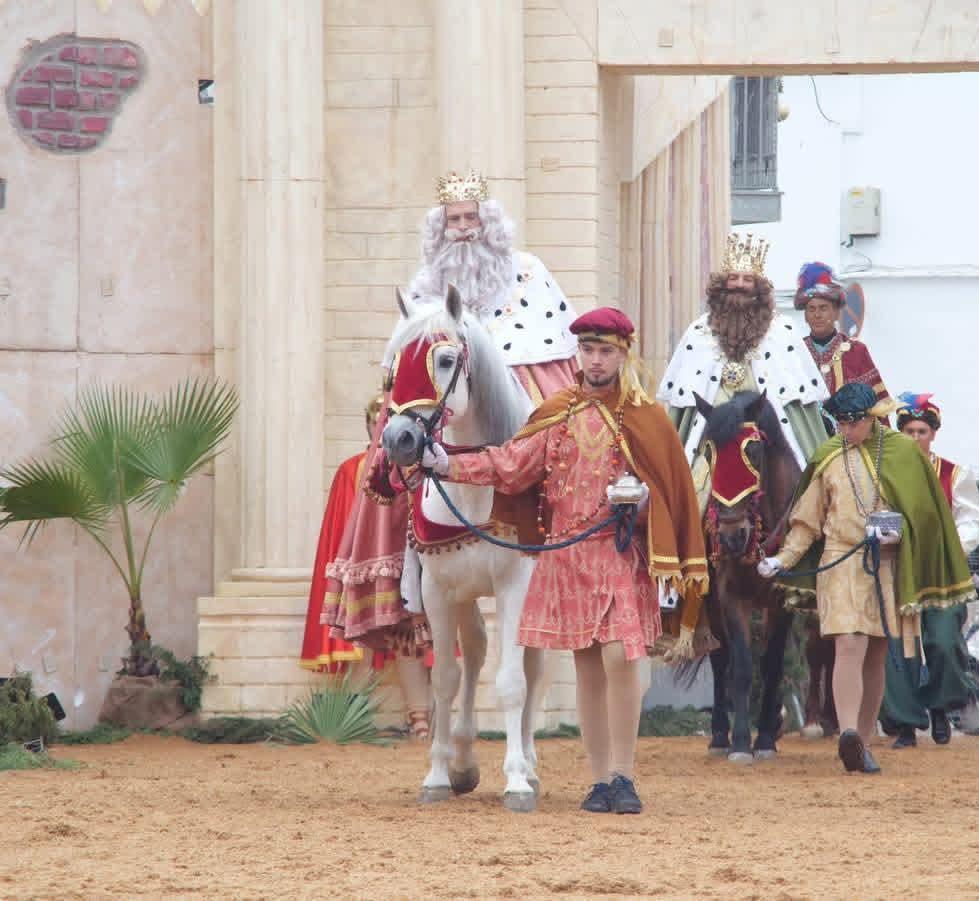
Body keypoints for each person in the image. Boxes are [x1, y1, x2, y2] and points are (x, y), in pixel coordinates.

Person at [423, 308, 707, 813]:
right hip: (567, 555)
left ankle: (625, 773)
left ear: (624, 355)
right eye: (588, 350)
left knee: (622, 655)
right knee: (589, 666)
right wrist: (447, 463)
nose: (596, 361)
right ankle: (600, 781)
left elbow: (670, 488)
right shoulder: (557, 410)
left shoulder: (647, 416)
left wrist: (642, 502)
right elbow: (511, 464)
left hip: (620, 553)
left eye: (606, 351)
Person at [322, 170, 579, 654]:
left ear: (489, 223)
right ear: (440, 229)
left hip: (518, 378)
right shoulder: (426, 283)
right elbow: (406, 357)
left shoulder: (527, 269)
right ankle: (407, 568)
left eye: (471, 218)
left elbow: (556, 349)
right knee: (391, 460)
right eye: (454, 219)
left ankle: (567, 556)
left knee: (565, 445)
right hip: (442, 392)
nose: (463, 228)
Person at [757, 384, 974, 775]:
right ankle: (848, 734)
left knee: (876, 651)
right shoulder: (827, 457)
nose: (844, 430)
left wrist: (900, 531)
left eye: (852, 422)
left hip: (887, 564)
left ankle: (864, 739)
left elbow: (924, 514)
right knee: (849, 642)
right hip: (839, 559)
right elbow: (807, 520)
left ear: (871, 419)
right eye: (839, 422)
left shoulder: (903, 454)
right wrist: (782, 558)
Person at [657, 234, 828, 657]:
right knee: (688, 505)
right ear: (720, 287)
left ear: (760, 290)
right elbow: (682, 406)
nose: (738, 287)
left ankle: (817, 588)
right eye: (731, 280)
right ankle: (677, 602)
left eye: (746, 281)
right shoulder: (699, 332)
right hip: (713, 441)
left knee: (818, 504)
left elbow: (801, 405)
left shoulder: (784, 331)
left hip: (769, 438)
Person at [299, 395, 433, 736]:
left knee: (409, 640)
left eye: (388, 421)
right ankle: (351, 720)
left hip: (405, 568)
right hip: (362, 568)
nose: (383, 427)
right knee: (357, 635)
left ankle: (420, 719)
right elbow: (343, 522)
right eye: (378, 421)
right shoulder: (352, 469)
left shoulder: (417, 468)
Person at [881, 392, 979, 748]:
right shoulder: (885, 473)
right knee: (898, 646)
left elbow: (970, 520)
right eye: (908, 431)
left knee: (941, 641)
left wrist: (950, 548)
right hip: (898, 570)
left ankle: (940, 708)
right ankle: (905, 722)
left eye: (921, 431)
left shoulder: (954, 474)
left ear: (933, 434)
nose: (915, 437)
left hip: (942, 570)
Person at [795, 262, 892, 420]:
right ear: (805, 315)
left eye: (823, 308)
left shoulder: (856, 351)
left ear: (836, 313)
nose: (817, 315)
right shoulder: (795, 352)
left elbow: (878, 406)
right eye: (811, 309)